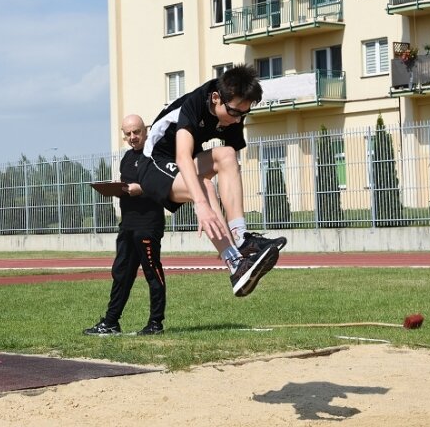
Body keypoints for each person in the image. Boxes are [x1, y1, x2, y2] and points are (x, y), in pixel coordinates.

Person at [137, 64, 287, 297]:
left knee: (226, 155)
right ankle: (235, 265)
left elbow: (230, 165)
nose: (238, 120)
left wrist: (224, 214)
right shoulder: (194, 104)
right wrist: (202, 204)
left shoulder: (234, 114)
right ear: (216, 98)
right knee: (204, 186)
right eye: (235, 112)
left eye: (244, 114)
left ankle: (241, 237)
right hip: (154, 164)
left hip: (184, 163)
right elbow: (183, 157)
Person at [84, 115, 167, 336]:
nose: (133, 137)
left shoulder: (157, 154)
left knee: (152, 272)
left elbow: (167, 184)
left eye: (136, 132)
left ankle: (155, 323)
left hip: (148, 225)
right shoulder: (127, 158)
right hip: (127, 225)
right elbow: (128, 184)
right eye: (128, 133)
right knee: (121, 273)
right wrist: (117, 187)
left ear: (145, 131)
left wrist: (143, 188)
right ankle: (111, 322)